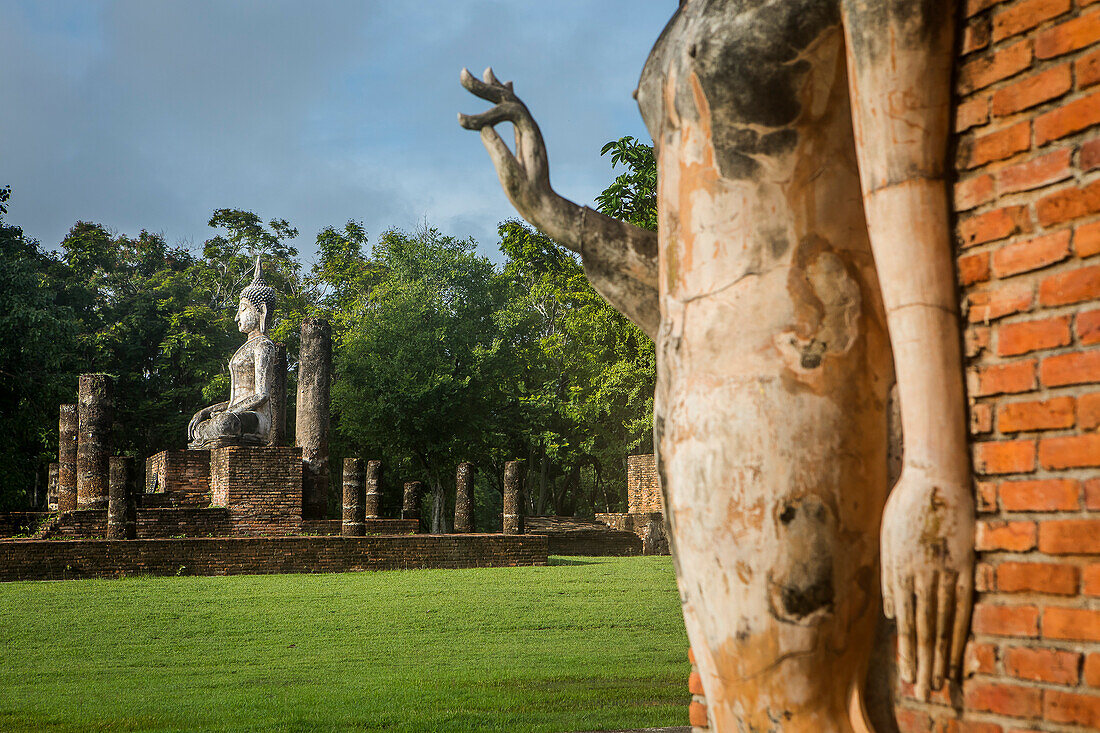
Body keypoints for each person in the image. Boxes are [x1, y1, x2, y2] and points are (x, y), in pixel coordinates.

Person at [460, 0, 972, 729]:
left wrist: (933, 466)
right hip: (694, 409)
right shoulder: (681, 20)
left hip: (807, 387)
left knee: (801, 706)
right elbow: (691, 274)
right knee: (737, 706)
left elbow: (907, 183)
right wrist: (553, 211)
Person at [188, 258, 278, 449]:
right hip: (238, 412)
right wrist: (207, 411)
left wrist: (227, 412)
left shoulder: (264, 345)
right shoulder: (243, 349)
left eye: (243, 309)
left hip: (257, 419)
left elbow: (261, 395)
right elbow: (236, 399)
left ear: (261, 310)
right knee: (199, 427)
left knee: (225, 423)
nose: (237, 316)